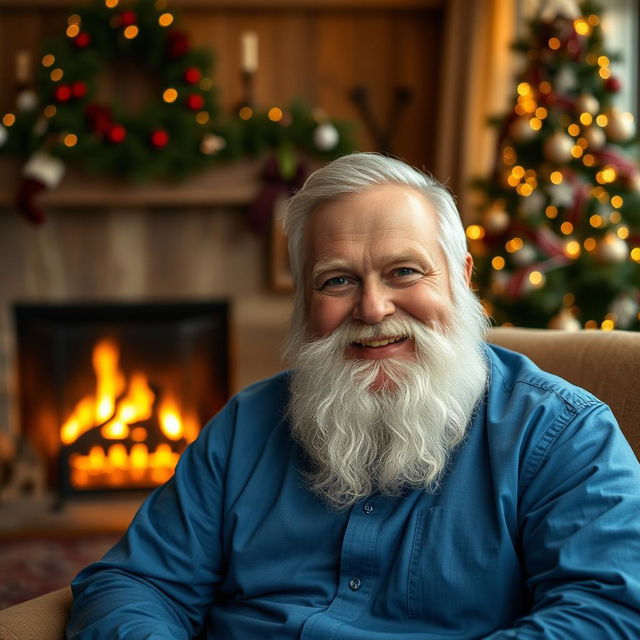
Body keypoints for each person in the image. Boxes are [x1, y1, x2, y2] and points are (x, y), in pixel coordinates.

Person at [67, 153, 640, 639]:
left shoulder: (565, 434)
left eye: (404, 272)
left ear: (461, 277)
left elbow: (606, 610)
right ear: (306, 301)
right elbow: (134, 582)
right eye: (338, 280)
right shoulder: (247, 424)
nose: (372, 309)